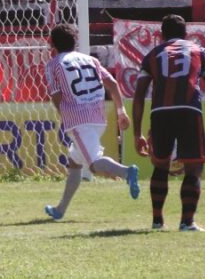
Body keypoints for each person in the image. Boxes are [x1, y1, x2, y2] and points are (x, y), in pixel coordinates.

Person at [131, 14, 205, 232]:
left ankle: (157, 220)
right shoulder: (199, 51)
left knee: (160, 165)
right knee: (193, 167)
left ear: (162, 35)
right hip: (189, 109)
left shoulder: (152, 54)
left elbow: (139, 94)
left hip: (160, 111)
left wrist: (136, 133)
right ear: (186, 33)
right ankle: (187, 222)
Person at [43, 25, 140, 221]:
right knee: (75, 162)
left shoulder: (53, 65)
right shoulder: (91, 60)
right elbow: (112, 84)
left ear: (52, 43)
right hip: (98, 116)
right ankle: (60, 209)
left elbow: (56, 96)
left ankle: (127, 171)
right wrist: (121, 110)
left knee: (94, 164)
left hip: (79, 119)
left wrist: (64, 114)